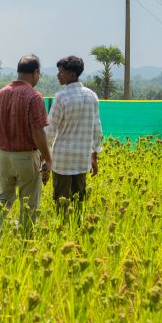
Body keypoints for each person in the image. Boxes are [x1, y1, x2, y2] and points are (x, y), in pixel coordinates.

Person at [0, 54, 52, 233]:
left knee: (3, 198)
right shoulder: (34, 97)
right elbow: (38, 132)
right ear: (36, 73)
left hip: (4, 156)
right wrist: (48, 159)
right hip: (27, 157)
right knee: (29, 202)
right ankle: (25, 240)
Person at [45, 55, 102, 216]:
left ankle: (62, 227)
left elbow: (50, 130)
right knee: (79, 201)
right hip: (82, 159)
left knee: (61, 201)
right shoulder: (92, 96)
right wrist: (94, 156)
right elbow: (97, 129)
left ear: (72, 74)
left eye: (61, 72)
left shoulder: (61, 97)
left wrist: (44, 157)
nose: (58, 75)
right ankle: (76, 228)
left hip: (62, 160)